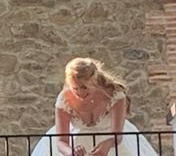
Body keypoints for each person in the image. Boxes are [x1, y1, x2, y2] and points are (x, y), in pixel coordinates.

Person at [30, 57, 158, 156]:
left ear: (94, 81)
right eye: (75, 88)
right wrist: (70, 152)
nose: (80, 92)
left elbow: (117, 135)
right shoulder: (64, 100)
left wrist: (107, 144)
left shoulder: (115, 95)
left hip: (113, 143)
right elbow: (61, 141)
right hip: (78, 143)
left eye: (84, 87)